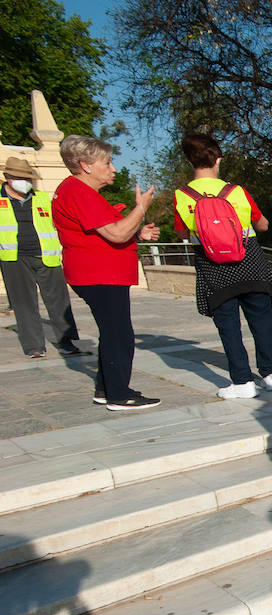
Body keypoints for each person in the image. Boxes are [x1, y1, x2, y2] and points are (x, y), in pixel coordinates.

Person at [51, 135, 161, 411]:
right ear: (86, 165)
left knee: (112, 331)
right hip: (99, 274)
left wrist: (137, 233)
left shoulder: (78, 192)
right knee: (119, 334)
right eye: (107, 162)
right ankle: (119, 395)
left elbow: (107, 233)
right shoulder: (79, 192)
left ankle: (106, 389)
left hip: (99, 272)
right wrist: (141, 208)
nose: (114, 168)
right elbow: (116, 233)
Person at [173, 132, 272, 399]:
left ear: (189, 160)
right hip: (250, 262)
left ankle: (243, 382)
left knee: (229, 326)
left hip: (214, 267)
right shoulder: (236, 191)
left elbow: (181, 233)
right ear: (218, 160)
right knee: (261, 321)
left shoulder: (182, 196)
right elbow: (262, 224)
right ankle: (270, 375)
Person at [0, 156, 83, 359]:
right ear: (8, 177)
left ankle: (66, 342)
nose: (25, 182)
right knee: (23, 303)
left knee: (59, 301)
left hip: (47, 256)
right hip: (14, 259)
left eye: (28, 178)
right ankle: (34, 346)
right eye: (20, 178)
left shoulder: (43, 198)